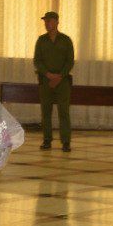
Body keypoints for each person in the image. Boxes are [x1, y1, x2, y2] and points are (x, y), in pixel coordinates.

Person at [34, 10, 74, 151]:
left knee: (63, 112)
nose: (47, 23)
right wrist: (47, 74)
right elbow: (37, 61)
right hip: (46, 81)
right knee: (46, 112)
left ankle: (66, 142)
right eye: (45, 21)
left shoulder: (66, 40)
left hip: (62, 81)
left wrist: (59, 76)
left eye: (49, 20)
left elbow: (70, 61)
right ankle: (47, 140)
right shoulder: (41, 40)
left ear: (57, 22)